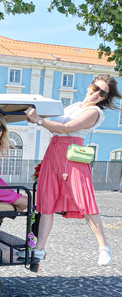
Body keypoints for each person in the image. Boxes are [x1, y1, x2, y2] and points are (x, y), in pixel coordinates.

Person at [24, 74, 120, 266]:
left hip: (72, 155)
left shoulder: (94, 112)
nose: (97, 94)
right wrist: (36, 118)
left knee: (85, 201)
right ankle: (40, 248)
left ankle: (104, 247)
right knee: (46, 202)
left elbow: (65, 127)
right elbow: (56, 128)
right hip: (54, 153)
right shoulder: (73, 106)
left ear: (104, 98)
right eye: (95, 88)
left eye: (102, 93)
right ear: (89, 86)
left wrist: (38, 120)